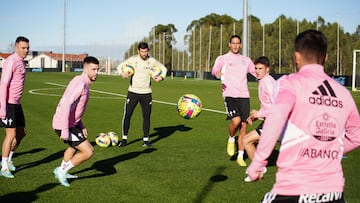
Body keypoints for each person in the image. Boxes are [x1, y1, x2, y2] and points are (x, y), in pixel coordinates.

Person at [246, 29, 360, 202]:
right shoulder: (343, 93)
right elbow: (357, 137)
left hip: (295, 189)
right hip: (334, 193)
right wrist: (326, 149)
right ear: (326, 58)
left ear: (296, 56)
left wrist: (258, 163)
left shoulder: (289, 83)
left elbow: (275, 120)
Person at [52, 56, 99, 187]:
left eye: (97, 69)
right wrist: (65, 130)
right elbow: (67, 104)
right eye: (93, 69)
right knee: (88, 151)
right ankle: (62, 171)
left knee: (73, 147)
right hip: (63, 124)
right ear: (85, 69)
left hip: (70, 123)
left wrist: (80, 124)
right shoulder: (81, 84)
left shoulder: (81, 80)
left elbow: (75, 109)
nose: (96, 72)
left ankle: (61, 170)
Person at [211, 35, 256, 167]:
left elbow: (255, 72)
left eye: (238, 43)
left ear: (240, 45)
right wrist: (217, 73)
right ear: (229, 44)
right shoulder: (223, 58)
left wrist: (266, 78)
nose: (235, 46)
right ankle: (231, 139)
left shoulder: (246, 60)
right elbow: (215, 69)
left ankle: (241, 156)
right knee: (235, 121)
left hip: (244, 95)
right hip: (229, 94)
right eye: (233, 43)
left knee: (243, 126)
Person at [117, 42, 167, 148]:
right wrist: (122, 73)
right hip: (133, 92)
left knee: (146, 117)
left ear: (148, 50)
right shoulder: (133, 60)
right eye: (142, 51)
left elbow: (164, 69)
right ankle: (124, 139)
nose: (144, 53)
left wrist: (161, 77)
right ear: (138, 51)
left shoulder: (152, 61)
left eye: (146, 51)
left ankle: (146, 140)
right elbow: (120, 66)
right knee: (127, 115)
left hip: (146, 93)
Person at [0, 36, 30, 178]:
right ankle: (4, 167)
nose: (26, 50)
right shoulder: (11, 60)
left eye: (27, 48)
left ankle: (9, 160)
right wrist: (2, 106)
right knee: (10, 135)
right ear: (16, 47)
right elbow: (3, 84)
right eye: (23, 48)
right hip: (8, 104)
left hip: (17, 104)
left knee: (21, 133)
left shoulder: (21, 62)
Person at [243, 56, 275, 176]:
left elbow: (277, 106)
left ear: (267, 69)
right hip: (270, 121)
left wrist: (259, 113)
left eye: (260, 68)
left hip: (275, 122)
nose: (257, 71)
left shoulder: (268, 82)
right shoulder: (264, 81)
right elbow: (267, 104)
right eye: (255, 68)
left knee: (246, 140)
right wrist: (256, 116)